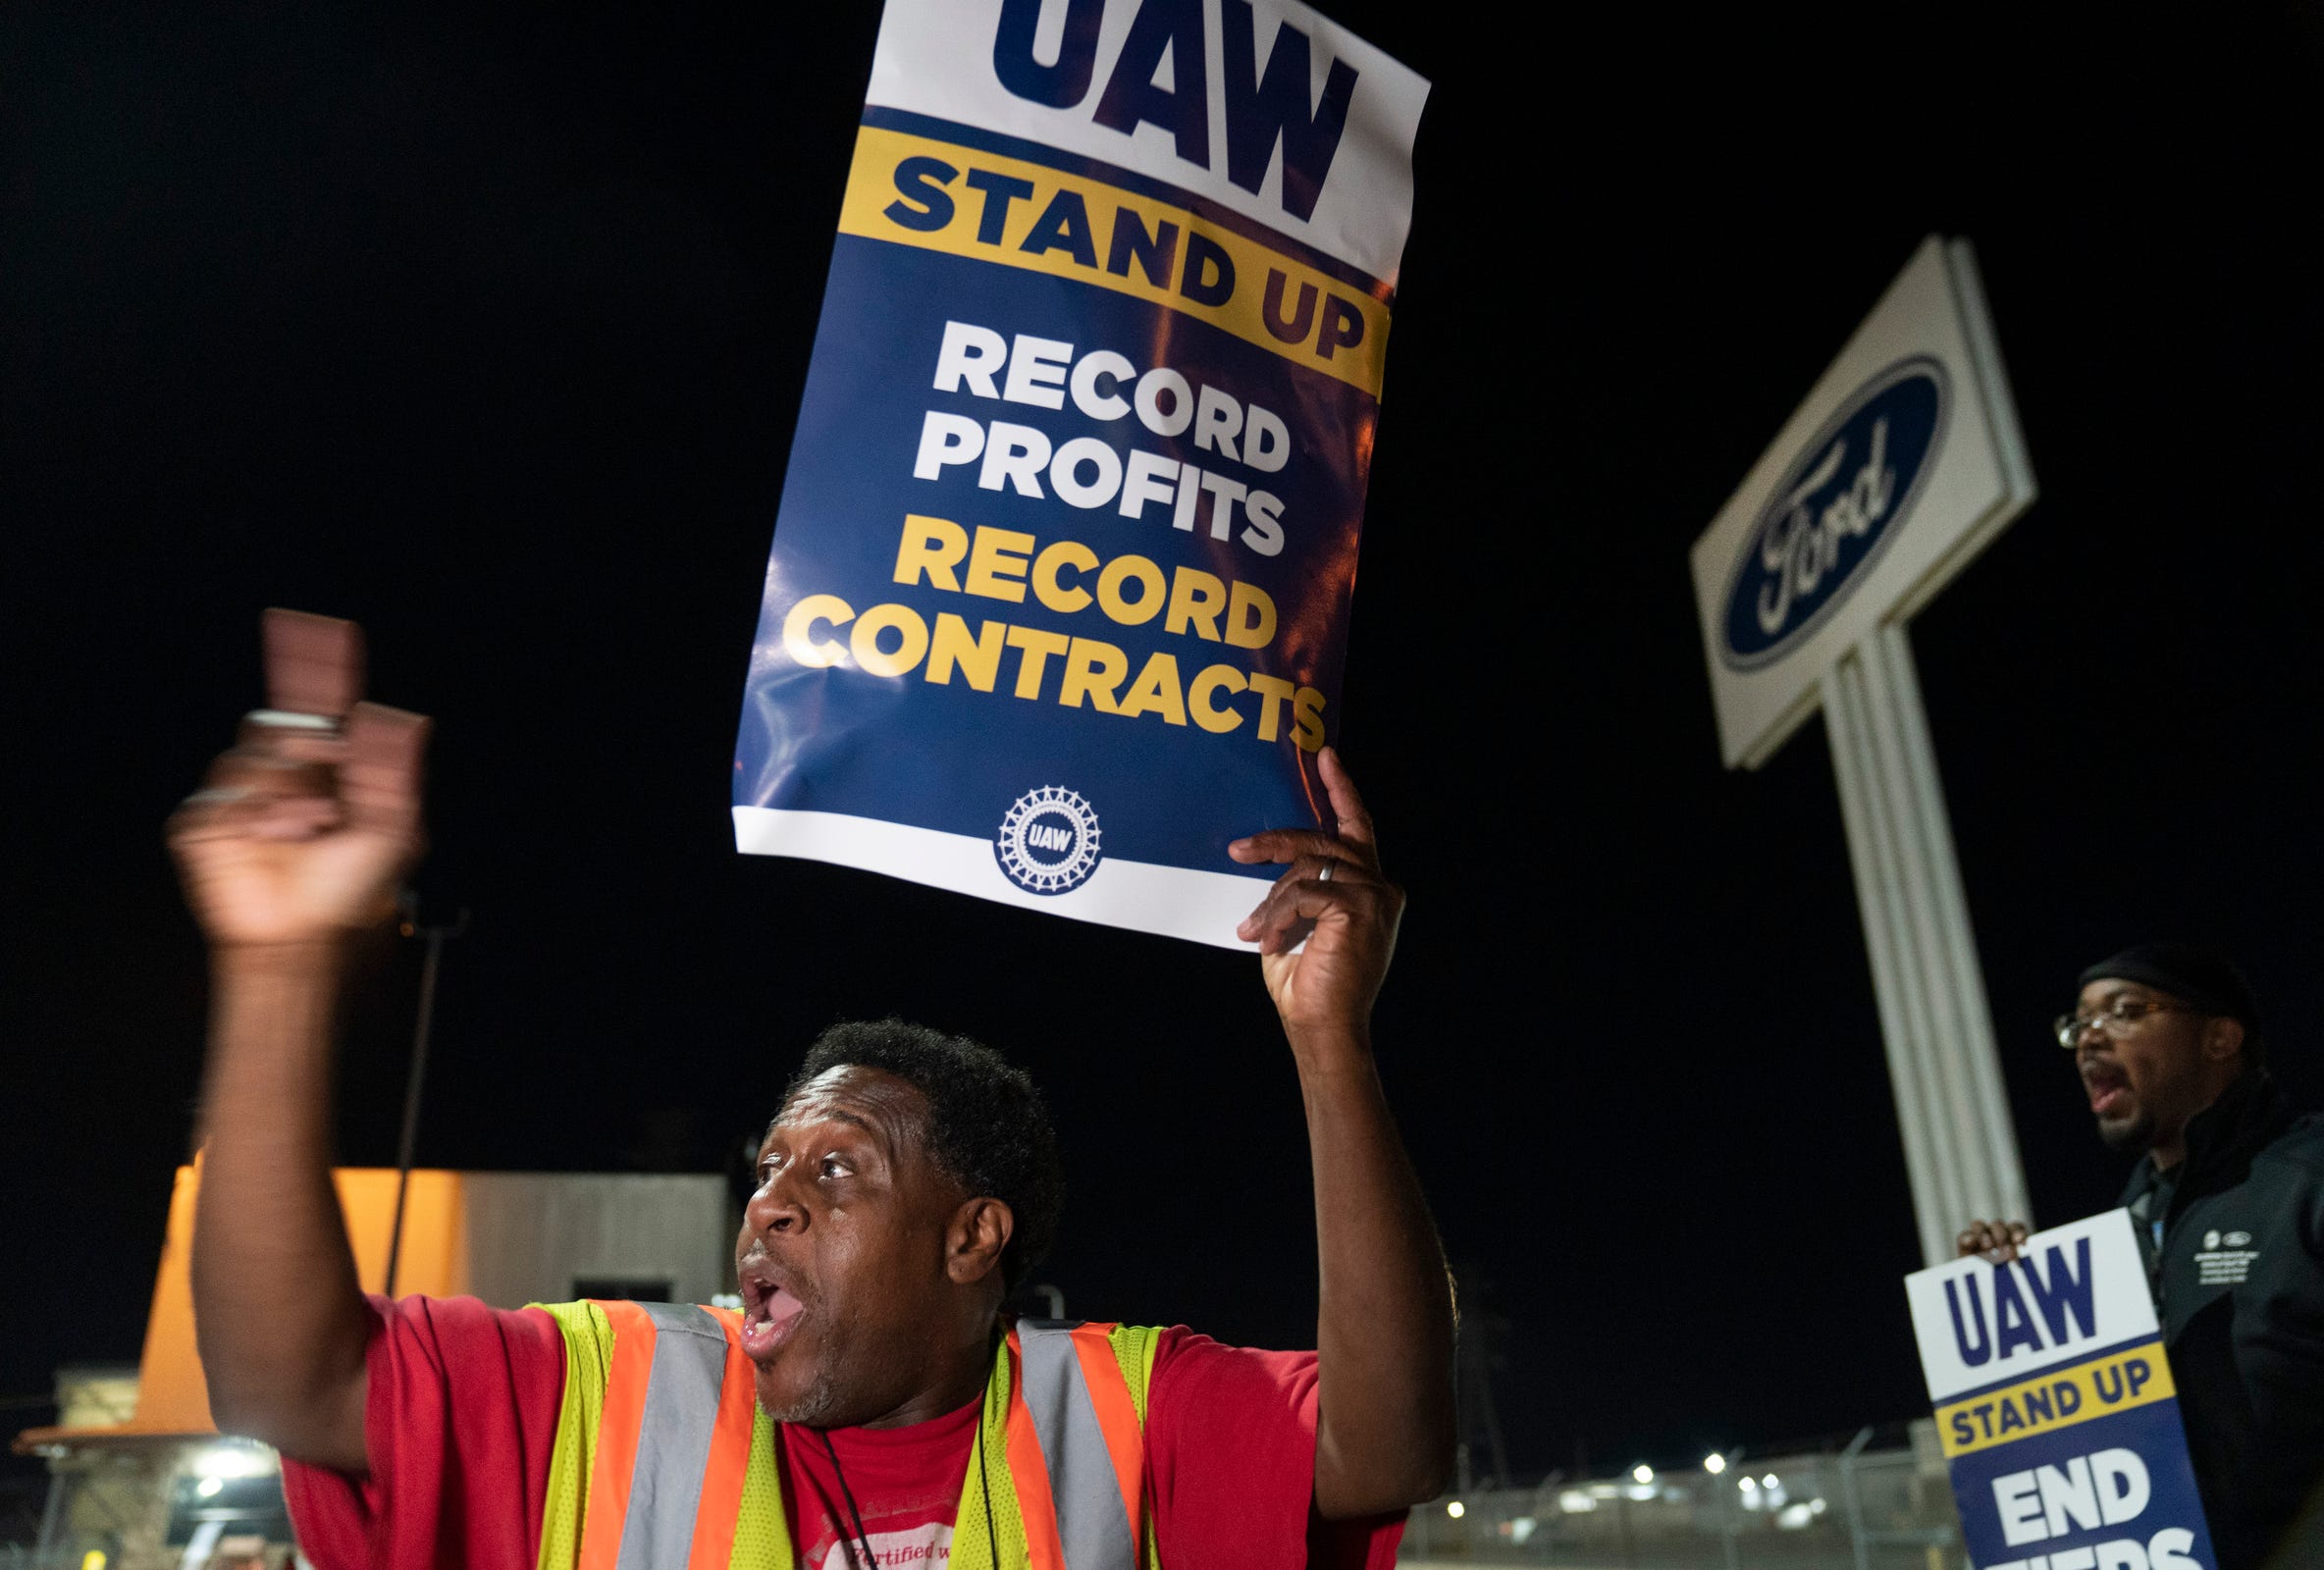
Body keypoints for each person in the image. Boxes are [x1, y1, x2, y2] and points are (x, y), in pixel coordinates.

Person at [170, 609, 1455, 1570]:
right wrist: (278, 958)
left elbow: (1386, 1450)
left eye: (835, 1168)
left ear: (973, 1235)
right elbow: (291, 1384)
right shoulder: (600, 1391)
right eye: (773, 1165)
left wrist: (1330, 1038)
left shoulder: (1126, 1409)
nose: (770, 1205)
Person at [1958, 943, 2324, 1567]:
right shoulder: (2127, 1224)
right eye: (2079, 1023)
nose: (2089, 1039)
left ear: (2220, 1038)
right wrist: (2011, 1298)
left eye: (2123, 1011)